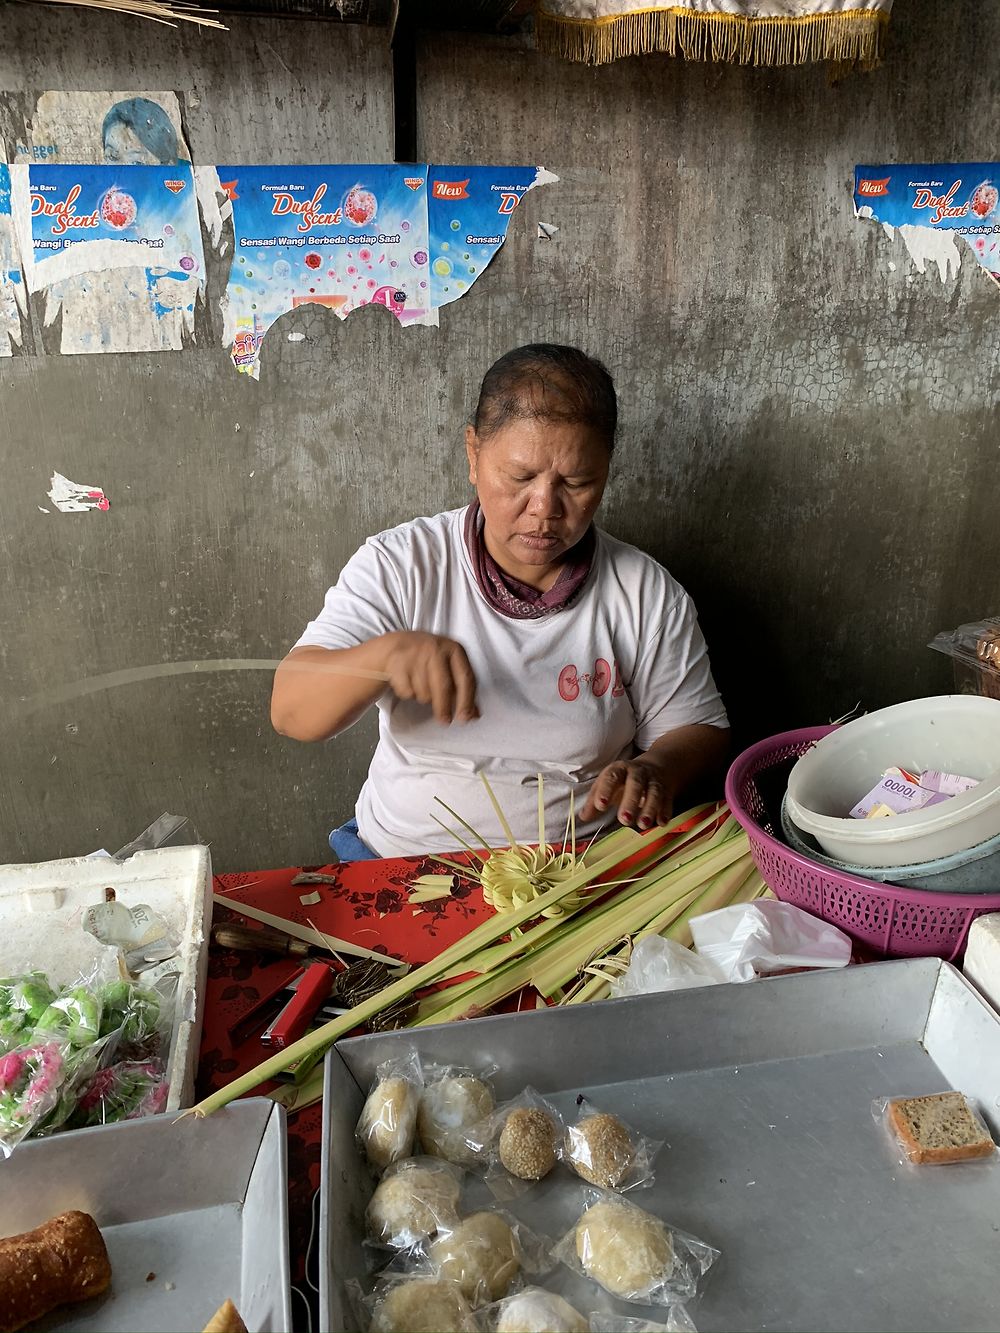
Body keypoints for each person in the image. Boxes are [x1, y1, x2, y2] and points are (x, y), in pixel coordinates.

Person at [271, 344, 729, 860]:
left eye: (577, 483)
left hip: (573, 872)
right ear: (473, 454)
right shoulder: (401, 565)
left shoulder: (644, 593)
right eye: (519, 478)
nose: (544, 510)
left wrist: (657, 768)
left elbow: (699, 730)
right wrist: (383, 657)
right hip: (401, 864)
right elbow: (291, 713)